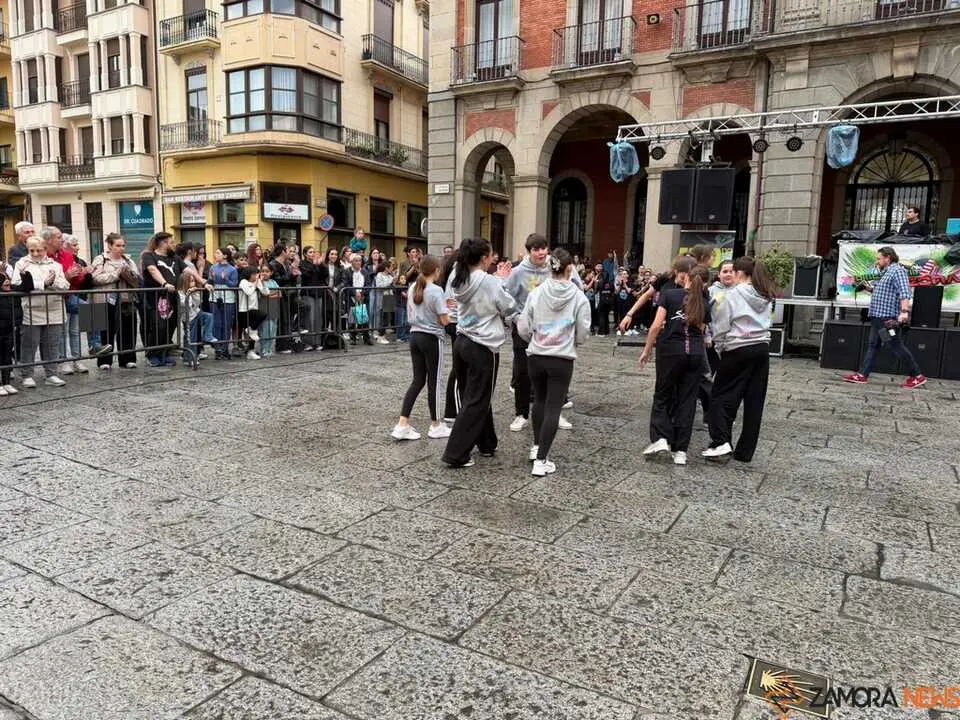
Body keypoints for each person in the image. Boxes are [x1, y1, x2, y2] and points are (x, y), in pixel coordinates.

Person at [441, 238, 516, 469]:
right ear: (484, 258)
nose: (493, 259)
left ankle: (486, 442)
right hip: (483, 345)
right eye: (491, 256)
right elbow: (508, 305)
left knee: (473, 395)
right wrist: (503, 282)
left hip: (463, 340)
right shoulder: (487, 281)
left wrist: (498, 280)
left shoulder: (458, 274)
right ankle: (456, 453)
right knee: (477, 399)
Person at [517, 248, 591, 477]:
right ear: (570, 269)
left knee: (538, 400)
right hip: (561, 356)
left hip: (537, 354)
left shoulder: (536, 293)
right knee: (553, 406)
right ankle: (542, 460)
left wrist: (533, 338)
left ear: (550, 268)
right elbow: (583, 329)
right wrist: (574, 342)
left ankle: (537, 446)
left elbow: (522, 325)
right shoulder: (579, 296)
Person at [503, 234, 580, 433]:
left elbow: (576, 285)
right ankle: (521, 414)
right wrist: (514, 318)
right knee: (522, 372)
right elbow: (504, 295)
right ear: (529, 252)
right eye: (536, 249)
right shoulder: (518, 272)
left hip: (553, 328)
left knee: (553, 371)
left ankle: (554, 411)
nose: (541, 253)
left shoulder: (555, 266)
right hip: (524, 327)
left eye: (543, 248)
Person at [703, 256, 775, 462]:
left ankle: (720, 442)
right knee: (754, 400)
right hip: (761, 347)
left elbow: (722, 324)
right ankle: (745, 451)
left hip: (737, 347)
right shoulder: (764, 294)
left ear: (739, 273)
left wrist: (719, 346)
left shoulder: (733, 294)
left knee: (720, 395)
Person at [639, 257, 710, 465]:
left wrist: (647, 349)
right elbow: (703, 330)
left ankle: (660, 438)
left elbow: (655, 326)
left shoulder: (670, 296)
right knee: (687, 401)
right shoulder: (704, 302)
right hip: (695, 353)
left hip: (670, 351)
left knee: (662, 395)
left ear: (685, 276)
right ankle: (681, 451)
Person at [843, 246, 926, 389]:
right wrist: (866, 288)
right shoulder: (885, 272)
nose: (877, 261)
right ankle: (862, 375)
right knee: (873, 345)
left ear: (888, 257)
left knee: (895, 345)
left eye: (879, 258)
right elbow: (883, 292)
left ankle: (917, 376)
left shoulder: (897, 271)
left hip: (887, 319)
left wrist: (904, 312)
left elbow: (904, 292)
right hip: (877, 316)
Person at [392, 255, 452, 441]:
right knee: (434, 381)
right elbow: (444, 320)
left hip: (415, 336)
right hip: (432, 338)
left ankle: (402, 424)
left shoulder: (413, 287)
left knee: (417, 381)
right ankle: (436, 425)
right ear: (436, 270)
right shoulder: (436, 290)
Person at [12, 236, 71, 387]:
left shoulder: (55, 265)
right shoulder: (22, 263)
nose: (36, 253)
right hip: (32, 310)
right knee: (29, 344)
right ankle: (27, 375)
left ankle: (51, 374)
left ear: (45, 249)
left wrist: (52, 283)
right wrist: (43, 284)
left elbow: (65, 285)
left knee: (52, 345)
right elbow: (17, 284)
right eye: (32, 250)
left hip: (54, 309)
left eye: (39, 250)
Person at [89, 232, 140, 370]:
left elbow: (137, 280)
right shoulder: (101, 259)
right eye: (118, 245)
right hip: (104, 299)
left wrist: (129, 275)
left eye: (123, 245)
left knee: (127, 330)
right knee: (106, 330)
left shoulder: (128, 260)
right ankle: (104, 360)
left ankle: (127, 359)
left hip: (125, 300)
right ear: (110, 246)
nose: (121, 248)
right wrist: (115, 275)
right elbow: (95, 278)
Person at [140, 232, 180, 367]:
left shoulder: (174, 257)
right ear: (164, 243)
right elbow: (152, 270)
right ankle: (152, 354)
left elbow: (187, 270)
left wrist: (203, 282)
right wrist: (164, 283)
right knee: (157, 325)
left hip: (172, 297)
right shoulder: (149, 255)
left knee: (170, 325)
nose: (174, 245)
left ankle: (164, 353)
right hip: (155, 297)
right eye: (172, 242)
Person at [178, 272, 216, 360]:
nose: (193, 283)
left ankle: (207, 336)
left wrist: (194, 293)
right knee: (192, 338)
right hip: (189, 318)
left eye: (193, 281)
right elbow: (188, 304)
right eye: (191, 281)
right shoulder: (180, 293)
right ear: (185, 283)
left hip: (196, 313)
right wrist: (188, 294)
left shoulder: (193, 291)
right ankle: (190, 357)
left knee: (209, 316)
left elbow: (199, 302)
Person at [209, 248, 239, 360]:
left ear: (225, 256)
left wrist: (225, 279)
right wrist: (211, 280)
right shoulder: (213, 267)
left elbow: (234, 284)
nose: (215, 255)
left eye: (218, 253)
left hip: (228, 297)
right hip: (215, 295)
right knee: (216, 323)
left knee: (226, 323)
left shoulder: (232, 269)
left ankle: (225, 348)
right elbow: (209, 281)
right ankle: (217, 348)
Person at [238, 266, 268, 360]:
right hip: (244, 310)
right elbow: (249, 292)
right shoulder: (243, 282)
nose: (256, 276)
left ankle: (251, 351)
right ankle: (250, 332)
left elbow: (266, 292)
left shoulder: (256, 282)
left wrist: (261, 283)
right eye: (254, 274)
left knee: (253, 331)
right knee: (254, 328)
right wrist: (255, 283)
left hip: (254, 308)